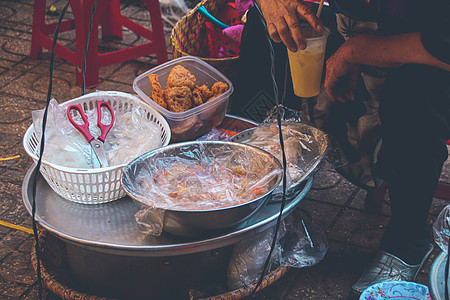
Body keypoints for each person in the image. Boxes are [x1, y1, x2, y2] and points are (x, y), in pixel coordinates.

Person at [252, 0, 450, 295]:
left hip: (432, 49)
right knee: (270, 25)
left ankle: (408, 238)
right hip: (360, 22)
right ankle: (260, 187)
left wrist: (359, 50)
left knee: (414, 93)